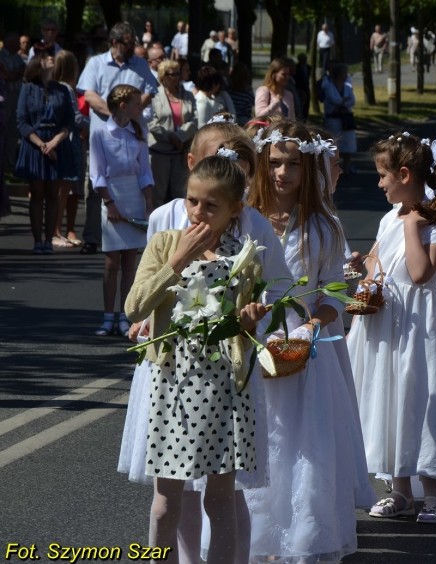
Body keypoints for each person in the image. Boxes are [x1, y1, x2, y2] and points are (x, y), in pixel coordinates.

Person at [122, 123, 284, 564]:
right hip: (173, 384)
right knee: (166, 502)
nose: (197, 212)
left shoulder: (243, 255)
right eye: (192, 200)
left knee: (221, 498)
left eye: (210, 206)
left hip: (224, 390)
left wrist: (250, 322)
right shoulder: (164, 244)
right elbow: (135, 307)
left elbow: (245, 329)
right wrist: (177, 261)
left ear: (234, 211)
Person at [241, 119, 373, 560]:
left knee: (304, 445)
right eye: (275, 163)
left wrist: (314, 323)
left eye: (293, 164)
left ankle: (303, 538)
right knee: (263, 437)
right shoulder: (246, 220)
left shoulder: (323, 226)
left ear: (309, 167)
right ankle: (255, 539)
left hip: (304, 346)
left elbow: (336, 286)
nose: (282, 173)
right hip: (255, 339)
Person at [347, 131, 436, 524]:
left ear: (404, 174)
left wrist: (412, 227)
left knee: (420, 400)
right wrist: (365, 269)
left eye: (382, 176)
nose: (379, 184)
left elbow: (420, 272)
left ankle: (434, 492)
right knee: (389, 399)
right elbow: (378, 262)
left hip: (417, 326)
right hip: (386, 321)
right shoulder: (387, 217)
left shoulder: (435, 217)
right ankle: (400, 489)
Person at [77, 22, 158, 255]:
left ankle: (132, 235)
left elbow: (149, 91)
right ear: (114, 43)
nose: (132, 46)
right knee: (95, 186)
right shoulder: (96, 63)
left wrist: (130, 114)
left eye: (134, 42)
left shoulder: (140, 64)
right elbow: (89, 95)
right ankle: (92, 237)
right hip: (103, 135)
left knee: (136, 181)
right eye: (128, 43)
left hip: (133, 135)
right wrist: (116, 114)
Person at [89, 85, 153, 337]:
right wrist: (109, 204)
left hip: (134, 197)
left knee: (130, 261)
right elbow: (97, 173)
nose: (141, 107)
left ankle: (126, 316)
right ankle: (107, 317)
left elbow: (145, 171)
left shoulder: (138, 132)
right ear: (124, 106)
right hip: (112, 197)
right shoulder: (100, 134)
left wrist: (148, 203)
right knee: (111, 261)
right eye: (138, 103)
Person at [15, 41, 75, 255]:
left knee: (53, 194)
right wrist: (41, 144)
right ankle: (37, 240)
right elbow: (21, 121)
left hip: (56, 145)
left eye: (52, 55)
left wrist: (54, 143)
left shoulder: (62, 90)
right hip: (35, 145)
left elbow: (69, 121)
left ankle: (48, 240)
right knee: (37, 193)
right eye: (46, 56)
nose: (51, 58)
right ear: (38, 62)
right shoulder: (28, 88)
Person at [147, 59, 197, 208]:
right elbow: (152, 122)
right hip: (159, 153)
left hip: (180, 152)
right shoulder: (154, 96)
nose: (176, 77)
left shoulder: (188, 95)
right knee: (158, 196)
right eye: (172, 74)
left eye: (178, 73)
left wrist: (180, 137)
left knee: (180, 196)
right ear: (163, 76)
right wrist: (170, 137)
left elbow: (194, 120)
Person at [52, 49, 88, 249]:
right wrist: (98, 125)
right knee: (64, 188)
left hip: (63, 139)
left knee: (64, 189)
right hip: (69, 141)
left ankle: (58, 229)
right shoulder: (67, 88)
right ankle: (56, 230)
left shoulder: (56, 87)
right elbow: (76, 117)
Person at [320, 63, 356, 174]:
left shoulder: (347, 87)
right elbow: (333, 99)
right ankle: (333, 167)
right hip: (333, 119)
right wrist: (344, 101)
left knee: (348, 143)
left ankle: (347, 166)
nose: (346, 75)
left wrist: (342, 102)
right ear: (339, 75)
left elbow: (352, 101)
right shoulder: (329, 87)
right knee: (334, 143)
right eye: (345, 73)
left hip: (345, 118)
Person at [0, 33, 25, 174]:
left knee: (12, 131)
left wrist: (13, 74)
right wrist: (13, 74)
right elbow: (6, 76)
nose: (19, 45)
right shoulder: (1, 56)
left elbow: (22, 71)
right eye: (16, 42)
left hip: (16, 96)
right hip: (4, 97)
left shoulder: (17, 58)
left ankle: (10, 163)